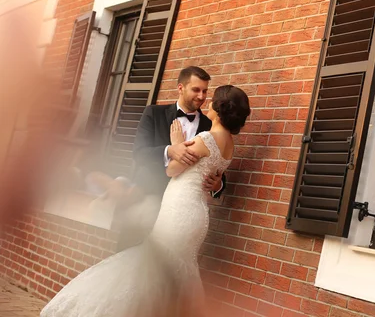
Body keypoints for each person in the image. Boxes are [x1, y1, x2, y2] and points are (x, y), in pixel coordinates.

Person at [40, 85, 251, 317]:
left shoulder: (205, 138)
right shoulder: (229, 144)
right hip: (197, 214)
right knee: (175, 267)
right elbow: (212, 172)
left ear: (218, 107)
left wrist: (176, 144)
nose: (206, 101)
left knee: (154, 265)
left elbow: (172, 170)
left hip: (180, 209)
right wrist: (216, 183)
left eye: (211, 98)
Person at [133, 66, 225, 198]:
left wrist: (218, 185)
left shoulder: (210, 125)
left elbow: (216, 165)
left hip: (184, 200)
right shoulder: (153, 113)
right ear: (180, 88)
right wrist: (170, 150)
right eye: (196, 90)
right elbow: (139, 153)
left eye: (205, 91)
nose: (201, 96)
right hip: (147, 195)